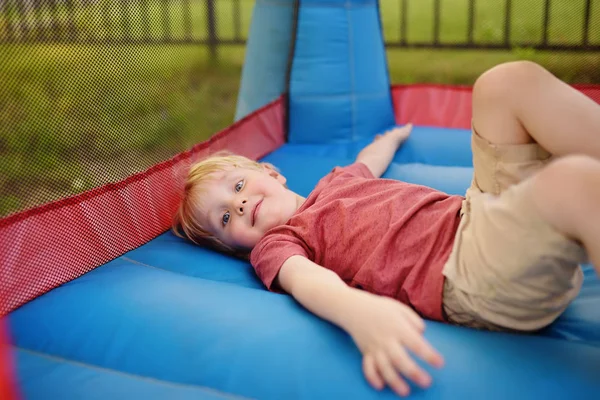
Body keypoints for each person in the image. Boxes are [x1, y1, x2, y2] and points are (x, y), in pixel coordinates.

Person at [173, 61, 600, 397]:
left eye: (239, 185)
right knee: (575, 181)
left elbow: (369, 160)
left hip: (477, 215)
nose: (240, 202)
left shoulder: (337, 182)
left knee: (506, 83)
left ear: (272, 172)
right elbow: (307, 281)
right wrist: (358, 313)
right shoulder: (279, 244)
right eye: (225, 218)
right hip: (470, 271)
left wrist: (390, 139)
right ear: (235, 248)